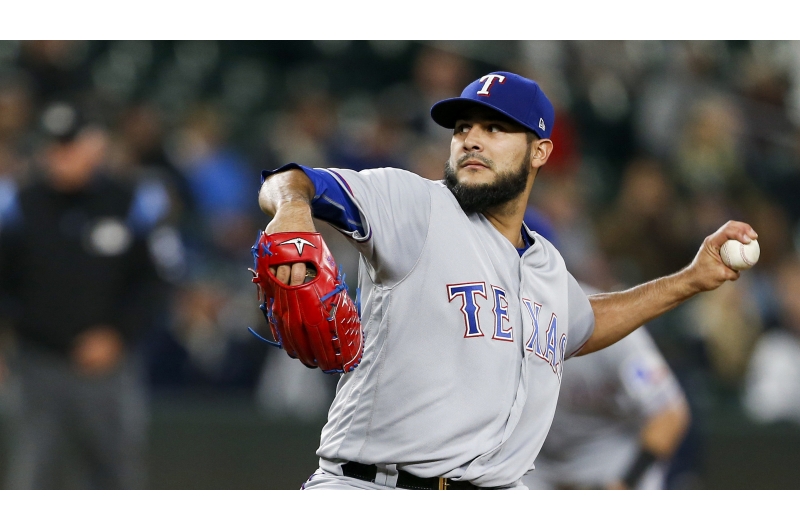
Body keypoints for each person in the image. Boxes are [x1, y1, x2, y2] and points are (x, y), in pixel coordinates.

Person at [255, 72, 757, 490]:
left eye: (495, 128)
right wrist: (294, 208)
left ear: (539, 152)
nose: (471, 138)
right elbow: (290, 181)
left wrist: (692, 279)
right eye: (462, 128)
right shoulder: (416, 205)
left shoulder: (546, 266)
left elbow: (580, 324)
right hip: (372, 491)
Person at [0, 102, 166, 489]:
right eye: (54, 145)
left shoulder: (128, 202)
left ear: (96, 146)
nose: (61, 155)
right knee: (33, 475)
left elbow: (153, 284)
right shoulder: (20, 205)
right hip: (36, 362)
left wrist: (119, 336)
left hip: (107, 364)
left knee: (115, 474)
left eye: (70, 144)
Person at [522, 284, 690, 490]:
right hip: (539, 468)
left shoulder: (606, 322)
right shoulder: (501, 320)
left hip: (610, 463)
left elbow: (669, 415)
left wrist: (624, 483)